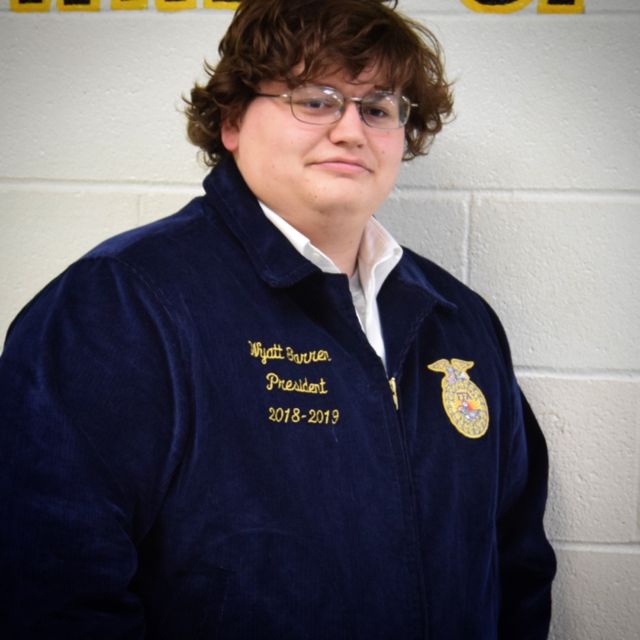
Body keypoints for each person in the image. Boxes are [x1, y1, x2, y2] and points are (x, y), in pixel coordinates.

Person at [0, 0, 556, 638]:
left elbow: (518, 564)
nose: (351, 131)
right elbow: (50, 590)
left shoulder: (457, 320)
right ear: (232, 120)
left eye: (378, 109)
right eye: (315, 100)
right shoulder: (117, 306)